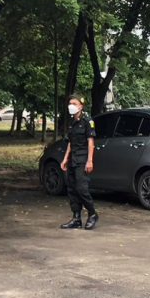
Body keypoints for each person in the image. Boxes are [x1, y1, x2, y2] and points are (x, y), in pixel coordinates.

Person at [59, 94, 97, 230]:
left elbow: (91, 142)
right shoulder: (72, 123)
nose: (71, 106)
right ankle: (76, 218)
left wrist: (90, 161)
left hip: (82, 159)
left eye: (74, 104)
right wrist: (65, 159)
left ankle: (92, 214)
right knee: (72, 189)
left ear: (81, 106)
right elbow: (70, 142)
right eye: (70, 103)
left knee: (81, 188)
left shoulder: (87, 121)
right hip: (72, 160)